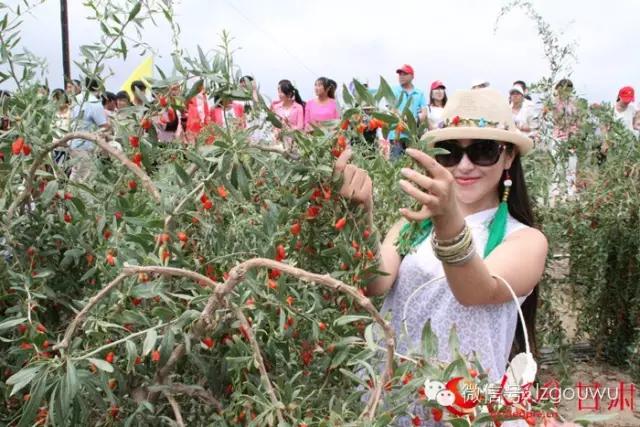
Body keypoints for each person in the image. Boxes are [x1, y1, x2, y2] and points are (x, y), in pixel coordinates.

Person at [334, 88, 547, 424]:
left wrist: (447, 219)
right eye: (451, 153)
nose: (464, 165)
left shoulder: (525, 240)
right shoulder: (413, 225)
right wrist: (363, 211)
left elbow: (475, 291)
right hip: (392, 397)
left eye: (484, 150)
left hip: (460, 410)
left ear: (508, 158)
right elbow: (375, 281)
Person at [68, 77, 109, 181]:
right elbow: (103, 126)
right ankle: (71, 195)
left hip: (73, 143)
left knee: (76, 173)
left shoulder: (76, 100)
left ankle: (67, 195)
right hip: (85, 145)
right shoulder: (94, 102)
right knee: (84, 177)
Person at [387, 64, 427, 158]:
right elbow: (392, 109)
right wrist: (405, 118)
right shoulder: (394, 91)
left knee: (412, 163)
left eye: (404, 74)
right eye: (400, 74)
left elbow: (424, 112)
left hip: (412, 136)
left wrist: (415, 120)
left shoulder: (419, 93)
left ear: (412, 76)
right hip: (397, 135)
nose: (401, 76)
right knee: (396, 165)